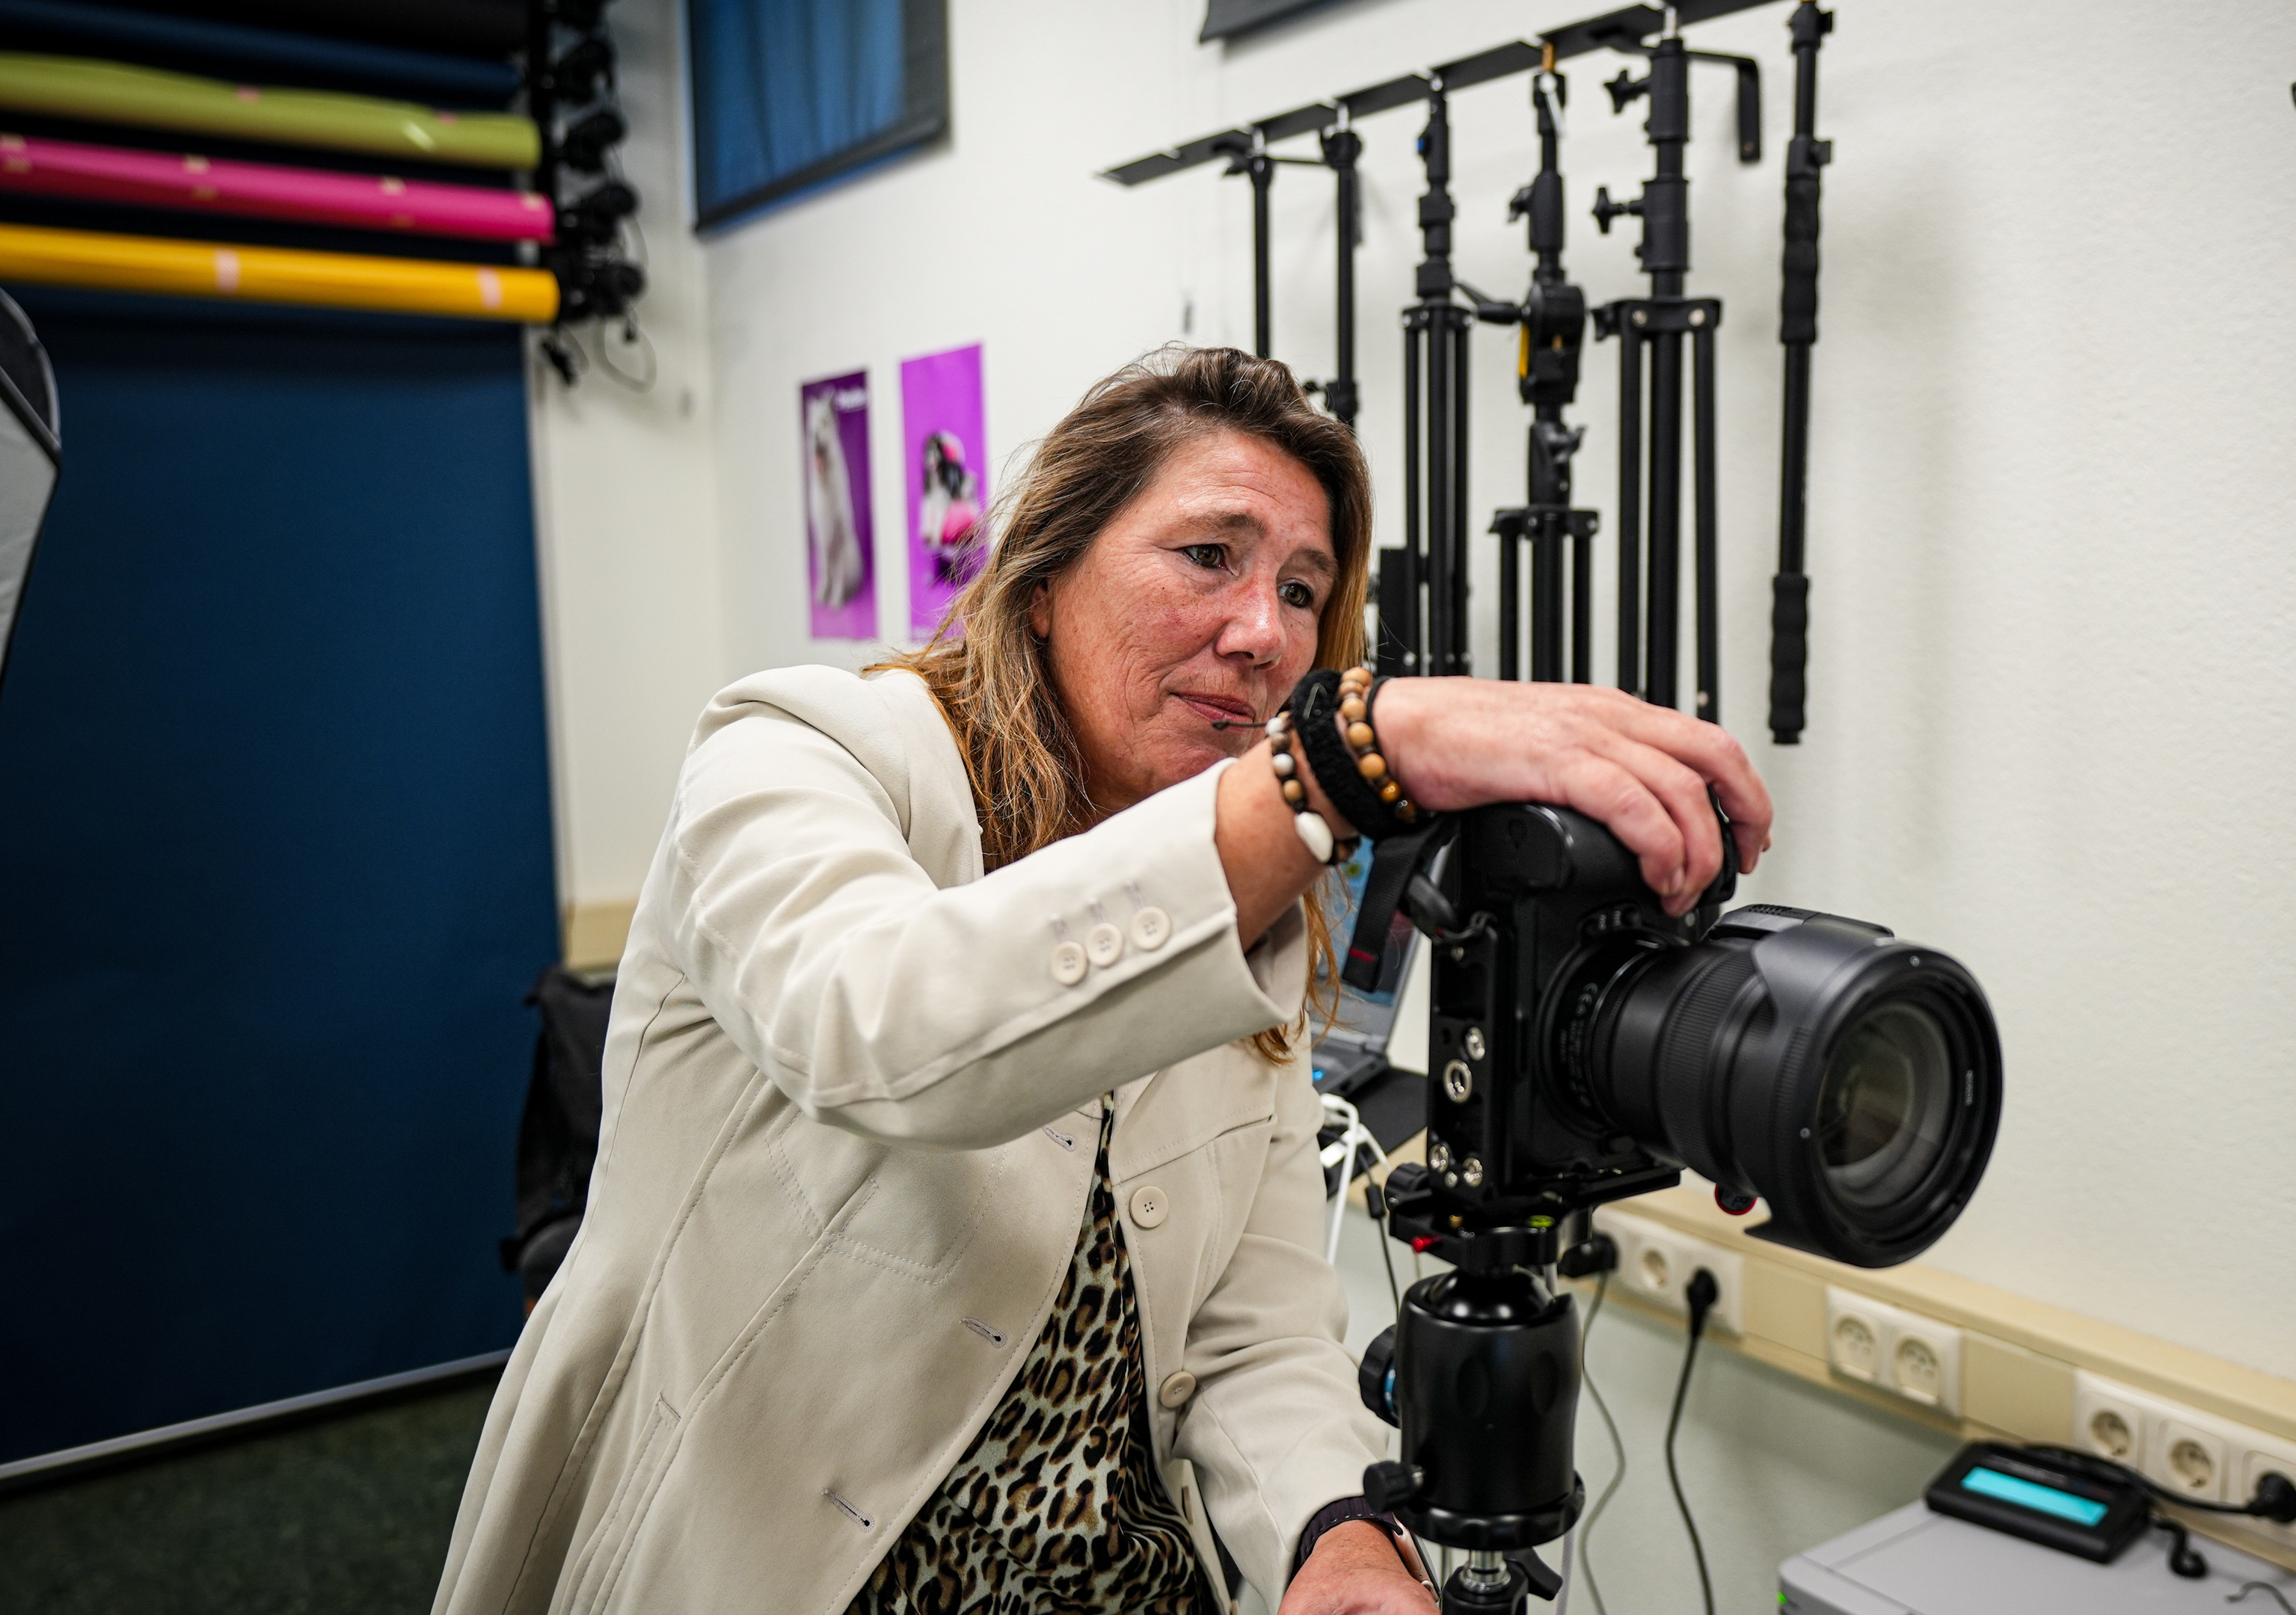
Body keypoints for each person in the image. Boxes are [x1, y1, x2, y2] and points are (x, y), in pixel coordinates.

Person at [432, 347, 1771, 1615]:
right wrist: (1333, 774)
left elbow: (1248, 1335)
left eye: (1305, 591)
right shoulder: (803, 752)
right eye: (1209, 557)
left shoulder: (1244, 914)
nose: (1265, 634)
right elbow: (880, 1029)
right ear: (1043, 580)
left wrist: (1333, 1534)